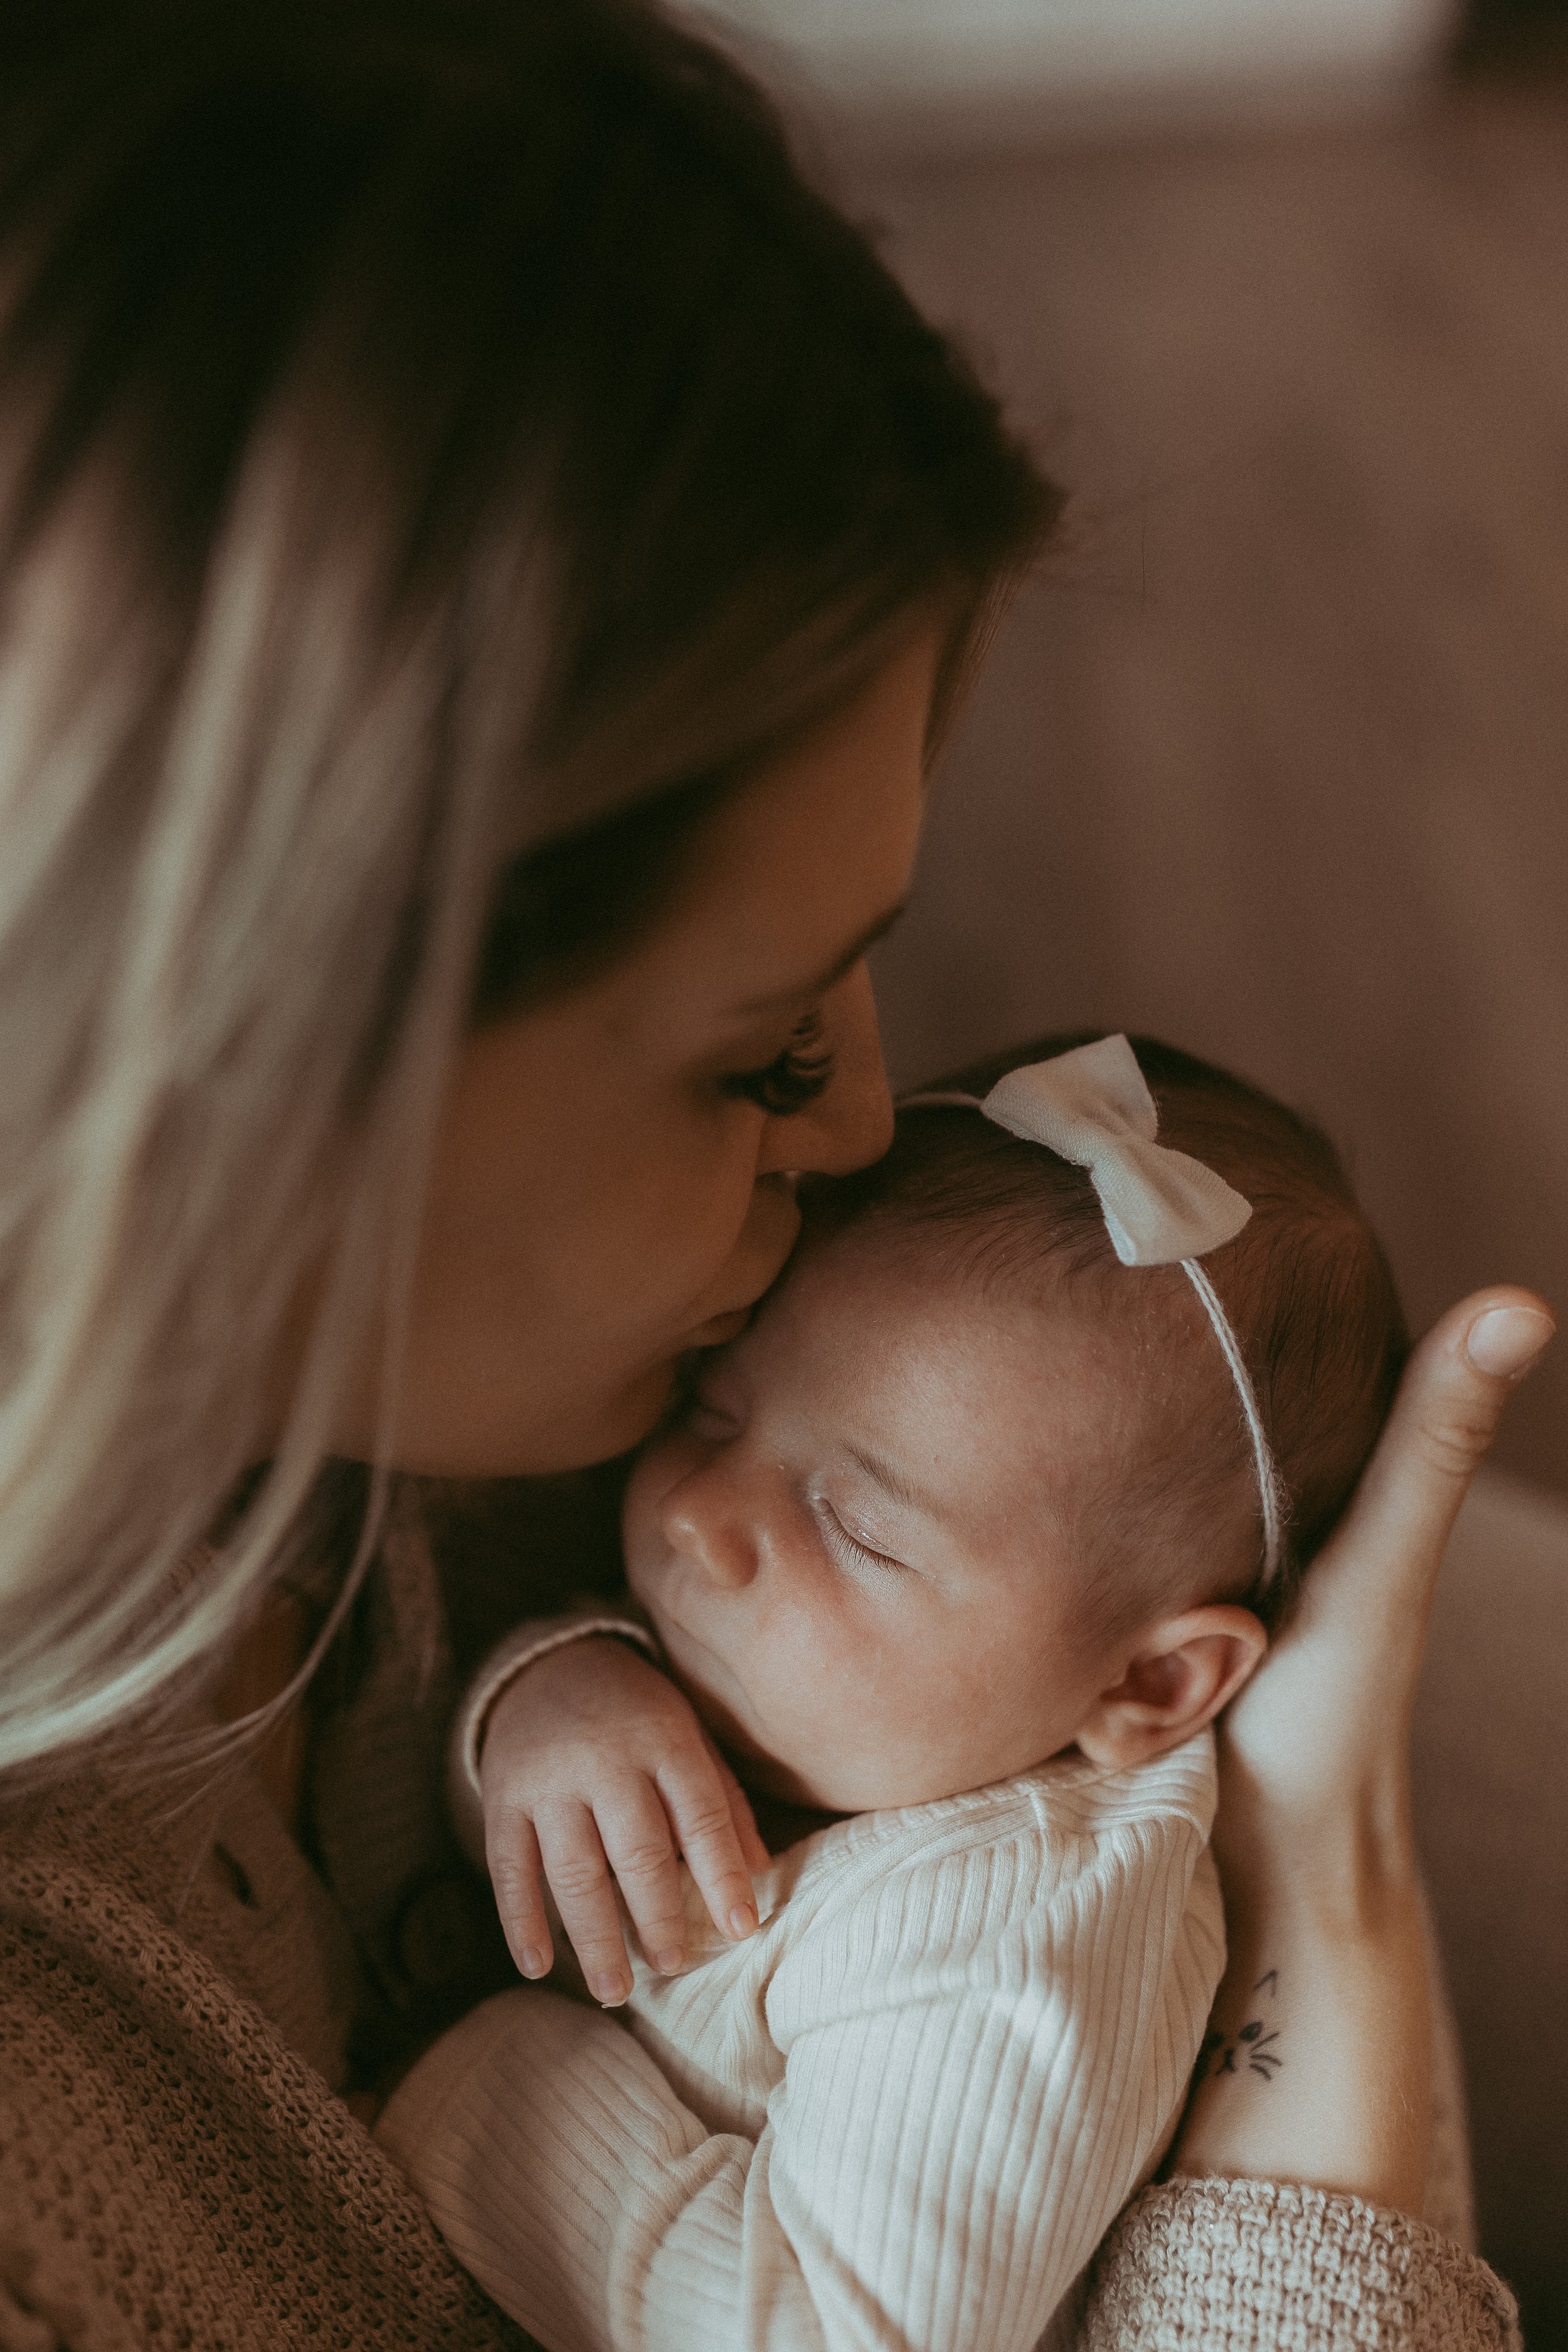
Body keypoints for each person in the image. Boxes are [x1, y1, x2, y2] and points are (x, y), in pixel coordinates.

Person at [0, 2, 1549, 2347]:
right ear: (222, 1106)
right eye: (763, 1051)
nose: (860, 1142)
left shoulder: (457, 1402)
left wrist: (574, 1675)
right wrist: (1331, 2033)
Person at [372, 1032, 1413, 2351]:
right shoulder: (842, 1701)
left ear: (1147, 1683)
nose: (703, 1521)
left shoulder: (1005, 1945)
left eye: (856, 1527)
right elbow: (570, 1871)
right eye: (713, 1403)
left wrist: (478, 2085)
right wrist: (551, 1696)